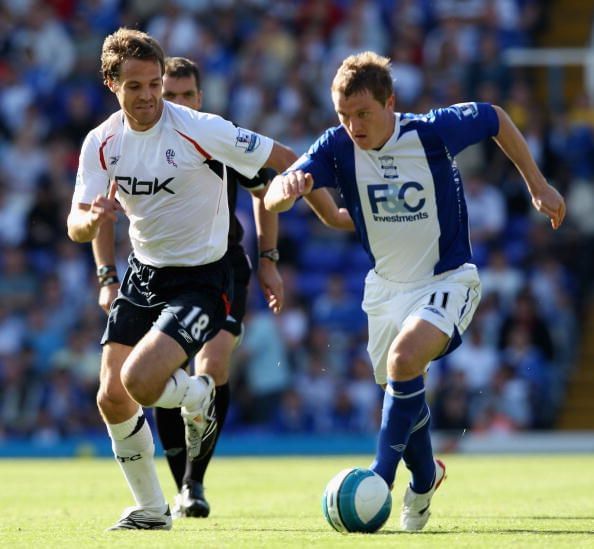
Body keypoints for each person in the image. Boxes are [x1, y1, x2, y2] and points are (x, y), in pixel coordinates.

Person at [264, 51, 565, 532]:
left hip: (448, 279)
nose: (354, 125)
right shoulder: (336, 147)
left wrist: (538, 184)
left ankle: (379, 478)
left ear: (390, 103)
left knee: (405, 362)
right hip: (384, 290)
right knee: (401, 393)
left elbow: (495, 118)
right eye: (344, 115)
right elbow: (279, 188)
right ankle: (424, 479)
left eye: (363, 113)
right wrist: (288, 190)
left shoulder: (430, 132)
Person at [91, 55, 353, 521]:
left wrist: (269, 258)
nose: (168, 102)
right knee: (140, 383)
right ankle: (172, 491)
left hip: (218, 266)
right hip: (150, 270)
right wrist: (107, 276)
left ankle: (194, 481)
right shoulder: (115, 141)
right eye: (164, 92)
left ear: (199, 97)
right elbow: (99, 210)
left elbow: (267, 186)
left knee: (209, 366)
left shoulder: (210, 134)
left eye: (182, 94)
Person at [67, 28, 298, 531]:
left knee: (143, 382)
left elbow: (283, 163)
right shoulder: (101, 143)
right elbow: (77, 222)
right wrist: (95, 222)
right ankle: (151, 509)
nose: (149, 95)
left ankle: (199, 407)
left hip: (204, 276)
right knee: (111, 396)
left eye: (155, 84)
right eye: (136, 86)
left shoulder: (202, 128)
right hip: (144, 274)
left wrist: (294, 234)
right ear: (112, 84)